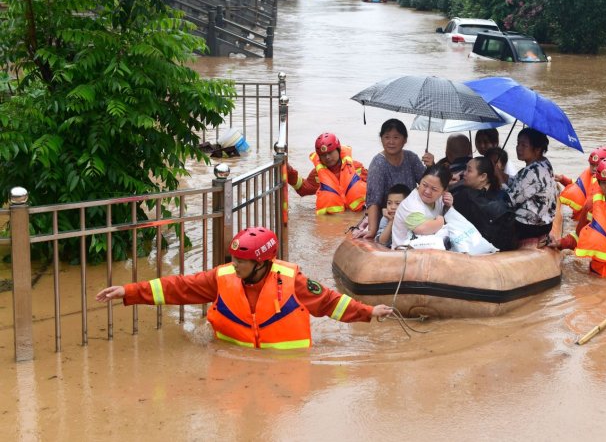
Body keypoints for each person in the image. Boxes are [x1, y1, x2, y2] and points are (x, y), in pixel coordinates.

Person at [95, 227, 393, 349]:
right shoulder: (222, 277)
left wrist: (369, 312)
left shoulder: (293, 281)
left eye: (242, 261)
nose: (234, 265)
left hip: (285, 367)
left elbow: (330, 303)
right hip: (230, 354)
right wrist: (129, 291)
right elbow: (179, 287)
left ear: (262, 263)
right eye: (234, 259)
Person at [356, 119, 427, 239]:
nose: (391, 142)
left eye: (396, 137)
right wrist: (372, 230)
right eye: (387, 137)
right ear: (381, 139)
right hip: (387, 216)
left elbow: (427, 185)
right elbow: (374, 200)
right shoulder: (378, 164)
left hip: (410, 214)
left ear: (404, 140)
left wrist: (431, 166)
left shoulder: (411, 158)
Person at [286, 133, 368, 215]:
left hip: (359, 214)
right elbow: (302, 189)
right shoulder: (317, 174)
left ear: (338, 150)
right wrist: (289, 171)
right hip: (334, 220)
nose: (327, 157)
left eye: (330, 152)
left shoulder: (356, 167)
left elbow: (374, 187)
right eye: (323, 155)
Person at [505, 128, 559, 244]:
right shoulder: (545, 163)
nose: (518, 148)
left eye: (524, 145)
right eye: (518, 143)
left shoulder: (532, 171)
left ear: (537, 149)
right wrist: (500, 175)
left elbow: (509, 201)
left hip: (528, 226)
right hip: (545, 224)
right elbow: (519, 183)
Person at [452, 157, 517, 251]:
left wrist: (446, 185)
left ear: (483, 176)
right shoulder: (504, 195)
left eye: (469, 170)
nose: (464, 173)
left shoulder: (465, 196)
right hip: (501, 252)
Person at [391, 165, 454, 248]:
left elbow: (453, 220)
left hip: (429, 251)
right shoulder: (411, 204)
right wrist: (441, 221)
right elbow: (422, 229)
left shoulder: (441, 199)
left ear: (444, 191)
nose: (427, 191)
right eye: (424, 185)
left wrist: (449, 206)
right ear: (420, 181)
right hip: (404, 255)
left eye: (434, 189)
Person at [557, 146, 606, 220]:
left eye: (597, 165)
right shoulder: (589, 176)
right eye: (592, 165)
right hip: (580, 219)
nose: (594, 169)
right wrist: (563, 179)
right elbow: (579, 187)